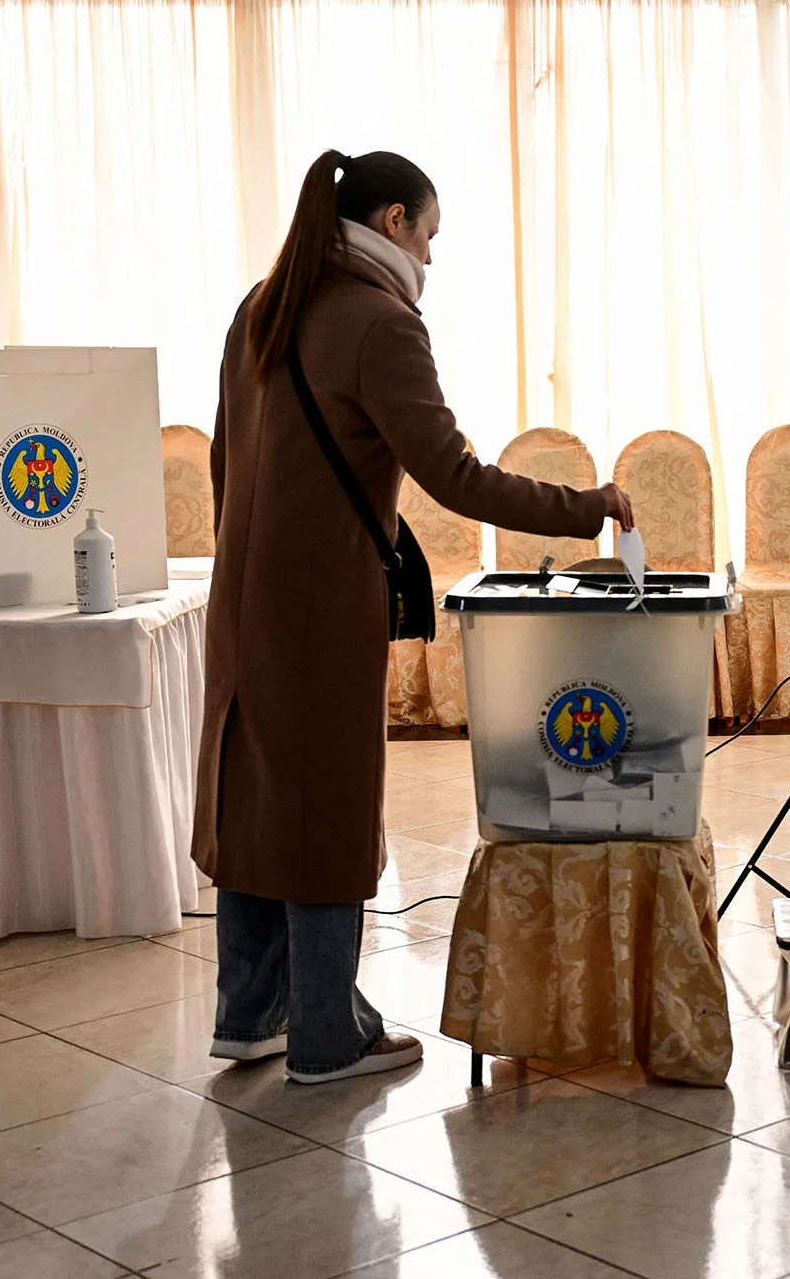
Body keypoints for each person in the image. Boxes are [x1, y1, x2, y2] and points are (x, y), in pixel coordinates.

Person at [193, 149, 634, 1085]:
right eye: (429, 235)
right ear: (393, 221)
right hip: (317, 604)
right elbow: (456, 475)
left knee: (254, 794)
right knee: (324, 805)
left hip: (241, 597)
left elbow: (225, 461)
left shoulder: (260, 306)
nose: (431, 258)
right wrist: (584, 507)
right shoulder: (379, 322)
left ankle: (248, 1012)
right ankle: (324, 1036)